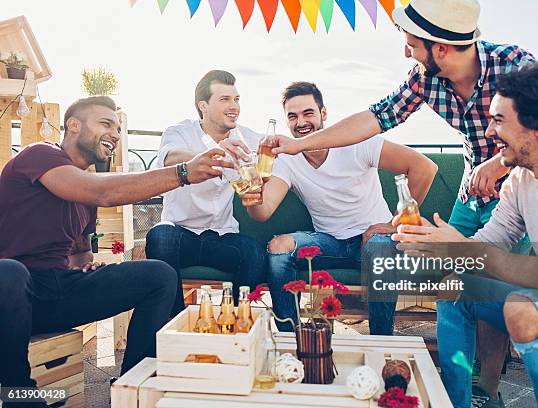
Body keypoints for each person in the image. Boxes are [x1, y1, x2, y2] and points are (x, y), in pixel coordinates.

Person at [272, 1, 536, 403]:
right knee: (451, 291)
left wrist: (499, 163)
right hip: (470, 194)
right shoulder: (425, 79)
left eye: (412, 44)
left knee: (488, 289)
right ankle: (455, 393)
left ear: (442, 48)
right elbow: (374, 117)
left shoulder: (514, 65)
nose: (406, 53)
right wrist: (299, 145)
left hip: (516, 193)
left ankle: (488, 388)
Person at [392, 66, 538, 407]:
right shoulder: (520, 182)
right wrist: (436, 247)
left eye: (498, 120)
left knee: (524, 308)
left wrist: (462, 249)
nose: (490, 131)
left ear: (535, 127)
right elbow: (490, 245)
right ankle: (456, 402)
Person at [0, 96, 232, 406]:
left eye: (119, 128)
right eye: (106, 124)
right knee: (9, 273)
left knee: (159, 275)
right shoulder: (40, 155)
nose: (116, 134)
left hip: (53, 293)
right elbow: (104, 192)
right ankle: (21, 398)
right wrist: (183, 173)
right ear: (73, 125)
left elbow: (80, 253)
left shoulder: (87, 197)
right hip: (10, 295)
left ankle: (132, 387)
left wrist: (86, 268)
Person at [241, 82, 437, 335]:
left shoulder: (358, 142)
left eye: (308, 113)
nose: (301, 122)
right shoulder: (287, 159)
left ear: (323, 114)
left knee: (379, 249)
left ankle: (381, 342)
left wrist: (394, 224)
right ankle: (291, 341)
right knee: (278, 247)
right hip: (330, 242)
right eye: (293, 116)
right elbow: (263, 212)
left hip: (373, 239)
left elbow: (424, 168)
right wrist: (252, 194)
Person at [145, 70, 267, 311]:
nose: (234, 106)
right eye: (225, 100)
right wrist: (216, 154)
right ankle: (174, 322)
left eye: (237, 99)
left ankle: (231, 320)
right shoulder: (179, 132)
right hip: (181, 234)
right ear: (203, 106)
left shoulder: (247, 137)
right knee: (160, 236)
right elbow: (170, 157)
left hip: (222, 236)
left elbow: (279, 146)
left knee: (253, 252)